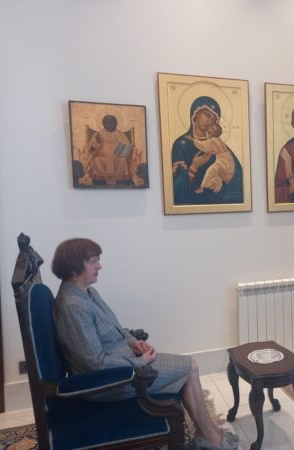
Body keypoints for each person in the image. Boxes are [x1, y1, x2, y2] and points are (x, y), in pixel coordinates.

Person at [51, 238, 238, 450]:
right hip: (111, 382)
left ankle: (208, 432)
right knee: (190, 367)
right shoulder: (73, 306)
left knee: (190, 368)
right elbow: (95, 364)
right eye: (93, 261)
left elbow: (115, 327)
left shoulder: (87, 292)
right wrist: (140, 362)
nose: (99, 266)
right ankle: (209, 436)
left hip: (126, 361)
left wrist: (134, 343)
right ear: (74, 268)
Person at [171, 96, 243, 205]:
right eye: (207, 115)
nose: (210, 121)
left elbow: (239, 182)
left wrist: (225, 177)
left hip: (220, 203)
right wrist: (194, 167)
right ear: (195, 115)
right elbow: (175, 188)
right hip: (193, 203)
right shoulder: (181, 145)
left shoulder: (218, 144)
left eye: (213, 119)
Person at [80, 114, 145, 187]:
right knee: (96, 160)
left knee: (123, 160)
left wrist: (119, 152)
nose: (110, 124)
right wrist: (97, 142)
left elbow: (128, 148)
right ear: (103, 124)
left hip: (117, 157)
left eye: (112, 122)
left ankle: (120, 181)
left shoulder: (120, 134)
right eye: (107, 122)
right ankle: (100, 181)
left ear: (116, 124)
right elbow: (91, 149)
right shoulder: (99, 134)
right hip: (102, 157)